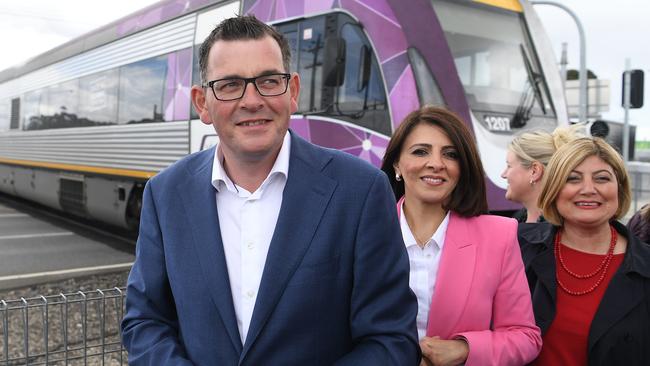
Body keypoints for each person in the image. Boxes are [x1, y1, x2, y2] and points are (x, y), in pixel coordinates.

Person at [121, 15, 419, 365]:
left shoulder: (361, 190)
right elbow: (145, 321)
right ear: (202, 103)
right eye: (230, 85)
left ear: (292, 92)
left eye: (268, 81)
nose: (252, 100)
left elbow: (391, 339)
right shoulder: (165, 194)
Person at [381, 106, 541, 366]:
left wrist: (464, 349)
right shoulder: (363, 231)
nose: (435, 163)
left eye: (450, 154)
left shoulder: (499, 236)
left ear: (463, 167)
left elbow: (525, 337)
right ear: (397, 163)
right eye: (420, 151)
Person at [519, 137, 650, 365]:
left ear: (619, 188)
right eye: (573, 179)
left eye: (601, 178)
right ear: (554, 188)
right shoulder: (517, 246)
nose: (589, 189)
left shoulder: (646, 265)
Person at [501, 125, 584, 223]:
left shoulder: (565, 230)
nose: (503, 174)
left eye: (509, 166)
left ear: (534, 171)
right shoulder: (516, 221)